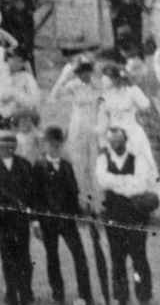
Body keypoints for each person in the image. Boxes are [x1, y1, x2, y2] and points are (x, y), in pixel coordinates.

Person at [31, 125, 93, 305]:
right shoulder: (39, 166)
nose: (54, 148)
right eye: (51, 144)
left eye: (57, 145)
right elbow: (34, 196)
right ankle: (58, 295)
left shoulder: (66, 166)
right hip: (47, 221)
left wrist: (81, 211)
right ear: (45, 145)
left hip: (67, 220)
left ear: (61, 145)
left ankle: (85, 295)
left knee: (80, 256)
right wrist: (35, 221)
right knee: (52, 258)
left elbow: (73, 192)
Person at [95, 127, 156, 305]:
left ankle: (144, 297)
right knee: (117, 258)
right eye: (112, 141)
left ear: (125, 140)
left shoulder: (138, 158)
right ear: (108, 142)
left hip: (136, 216)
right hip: (114, 215)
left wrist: (115, 183)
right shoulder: (102, 159)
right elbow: (102, 180)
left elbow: (141, 185)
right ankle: (122, 298)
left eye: (119, 140)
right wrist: (127, 182)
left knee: (139, 257)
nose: (116, 144)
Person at [97, 63, 160, 207]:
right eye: (107, 78)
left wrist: (134, 89)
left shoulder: (132, 91)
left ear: (118, 77)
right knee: (118, 165)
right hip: (115, 134)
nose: (109, 81)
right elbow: (103, 119)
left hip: (133, 132)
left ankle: (147, 201)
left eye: (112, 77)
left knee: (141, 164)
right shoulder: (105, 96)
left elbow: (146, 105)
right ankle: (122, 203)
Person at [0, 129, 35, 305]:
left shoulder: (24, 165)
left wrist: (32, 218)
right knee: (7, 259)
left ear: (15, 147)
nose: (7, 150)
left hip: (20, 220)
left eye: (11, 147)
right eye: (3, 147)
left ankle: (26, 293)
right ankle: (11, 294)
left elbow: (30, 193)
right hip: (3, 220)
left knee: (24, 258)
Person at [49, 54, 101, 210]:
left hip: (95, 125)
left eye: (87, 71)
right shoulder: (73, 85)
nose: (84, 75)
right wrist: (65, 75)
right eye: (80, 72)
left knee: (95, 163)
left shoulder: (98, 85)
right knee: (79, 162)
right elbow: (54, 96)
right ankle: (81, 201)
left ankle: (97, 202)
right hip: (78, 125)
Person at [0, 0, 44, 75]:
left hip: (26, 21)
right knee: (14, 49)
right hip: (11, 22)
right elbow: (0, 1)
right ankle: (16, 75)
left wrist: (32, 8)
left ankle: (31, 77)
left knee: (28, 51)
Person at [0, 47, 40, 133]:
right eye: (18, 61)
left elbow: (34, 98)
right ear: (10, 59)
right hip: (2, 111)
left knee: (26, 79)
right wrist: (17, 96)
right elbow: (2, 96)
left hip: (14, 108)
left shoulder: (19, 75)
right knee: (20, 91)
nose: (20, 65)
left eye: (21, 62)